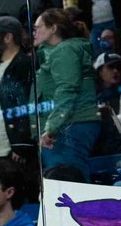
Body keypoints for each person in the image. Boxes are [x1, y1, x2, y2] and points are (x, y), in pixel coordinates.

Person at [35, 9, 100, 178]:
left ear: (53, 28)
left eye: (38, 27)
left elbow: (67, 90)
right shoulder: (58, 52)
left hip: (69, 125)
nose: (34, 32)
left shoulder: (65, 51)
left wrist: (51, 127)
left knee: (70, 182)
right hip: (67, 124)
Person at [0, 16, 36, 169]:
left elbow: (25, 105)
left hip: (11, 154)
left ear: (8, 37)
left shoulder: (23, 65)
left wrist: (21, 145)